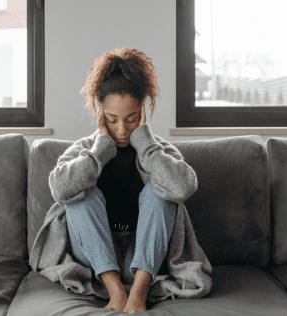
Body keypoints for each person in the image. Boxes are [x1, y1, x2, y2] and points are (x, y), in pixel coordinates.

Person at [29, 47, 213, 314]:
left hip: (145, 259)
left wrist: (146, 145)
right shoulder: (85, 149)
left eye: (132, 119)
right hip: (96, 258)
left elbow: (183, 187)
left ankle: (138, 293)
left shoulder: (156, 150)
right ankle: (115, 291)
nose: (122, 130)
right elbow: (60, 189)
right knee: (80, 197)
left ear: (143, 111)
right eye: (112, 119)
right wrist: (99, 151)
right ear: (99, 110)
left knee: (158, 192)